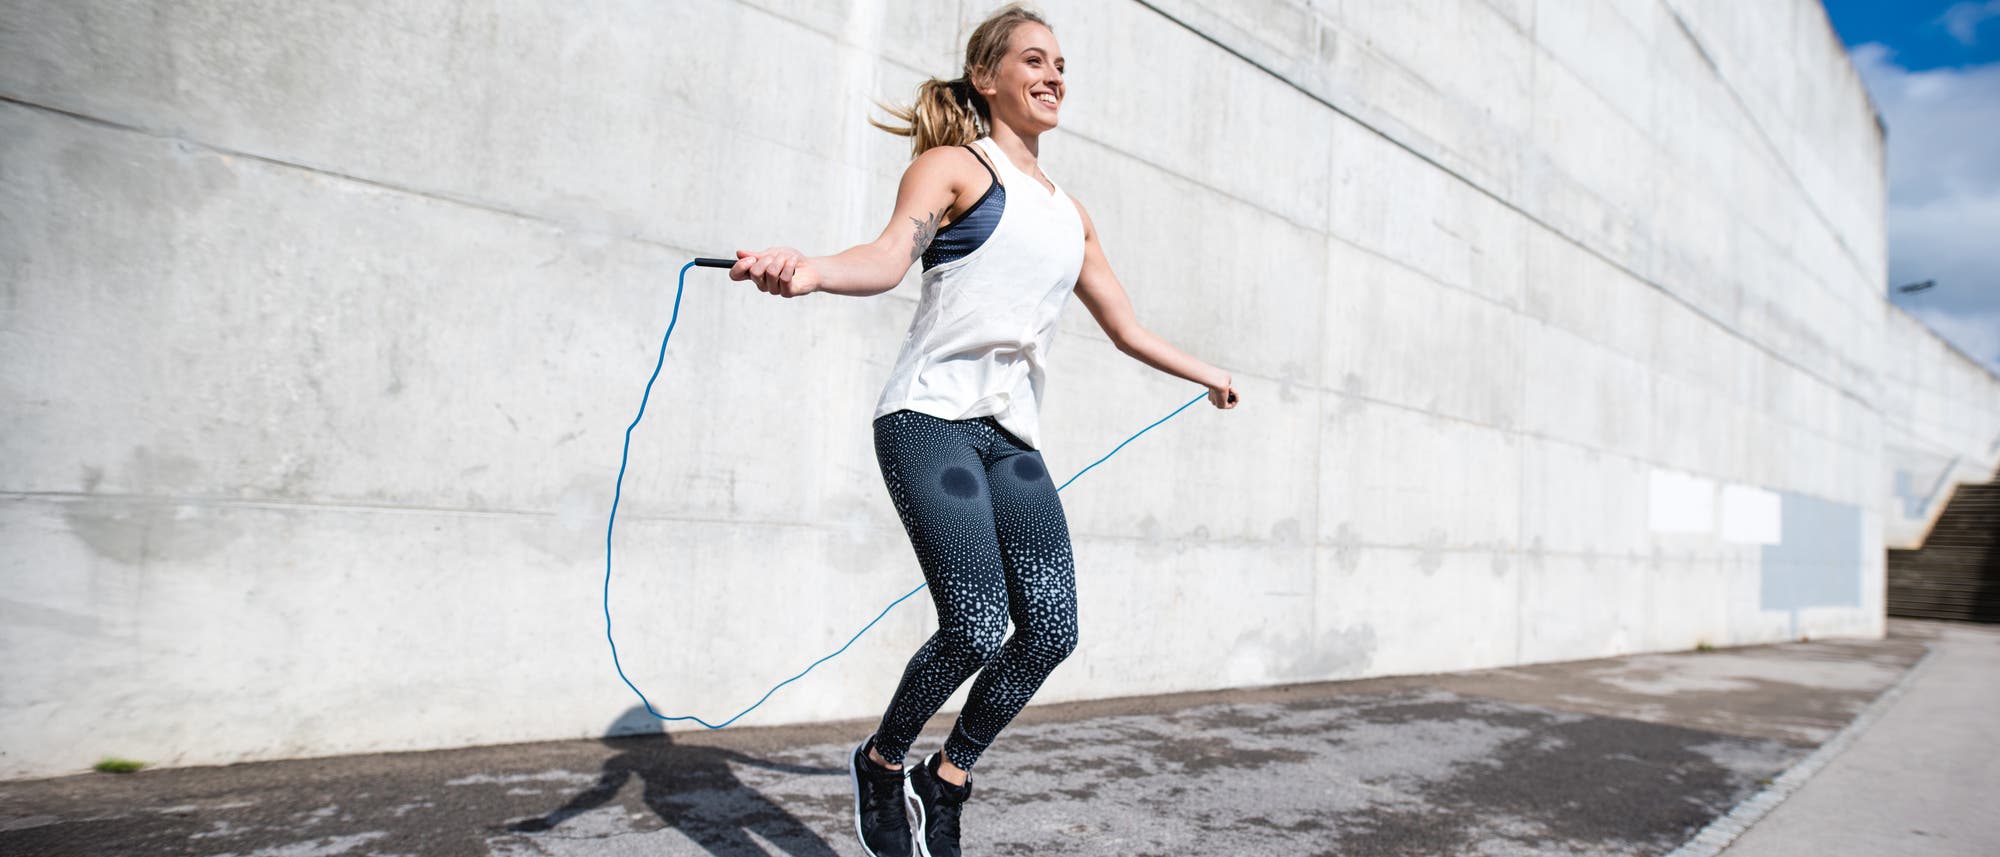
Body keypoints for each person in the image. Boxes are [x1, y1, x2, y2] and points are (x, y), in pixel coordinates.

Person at [729, 5, 1239, 855]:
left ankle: (948, 775)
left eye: (1062, 64)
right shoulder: (955, 167)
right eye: (1034, 60)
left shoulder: (1072, 214)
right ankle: (884, 759)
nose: (1054, 75)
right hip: (929, 419)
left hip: (1008, 439)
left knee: (1051, 630)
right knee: (972, 622)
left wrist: (1208, 372)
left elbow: (1126, 326)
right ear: (986, 77)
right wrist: (809, 271)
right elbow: (891, 255)